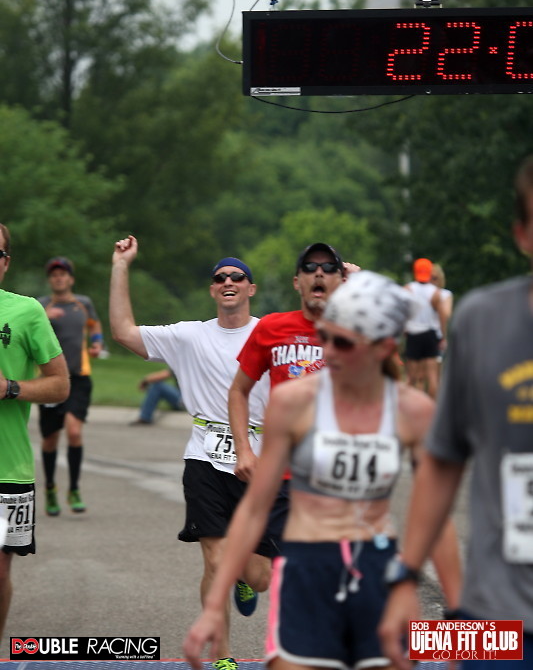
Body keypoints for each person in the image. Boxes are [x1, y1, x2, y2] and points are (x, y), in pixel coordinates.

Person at [183, 270, 461, 670]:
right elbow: (255, 508)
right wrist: (213, 606)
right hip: (305, 571)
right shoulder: (294, 402)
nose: (327, 352)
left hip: (376, 573)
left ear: (383, 348)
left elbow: (436, 516)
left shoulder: (412, 411)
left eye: (342, 342)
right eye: (325, 337)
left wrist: (456, 612)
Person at [379, 155, 533, 670]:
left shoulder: (418, 291)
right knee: (426, 379)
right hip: (501, 621)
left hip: (422, 340)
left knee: (423, 375)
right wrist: (405, 578)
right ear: (522, 234)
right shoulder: (483, 319)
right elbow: (443, 461)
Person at [110, 236, 288, 670]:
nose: (228, 282)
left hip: (260, 461)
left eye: (237, 277)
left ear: (250, 288)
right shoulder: (190, 335)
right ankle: (222, 657)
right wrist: (120, 266)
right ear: (212, 289)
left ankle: (244, 577)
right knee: (215, 560)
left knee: (259, 578)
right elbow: (124, 332)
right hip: (205, 457)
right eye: (220, 277)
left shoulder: (270, 333)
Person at [229, 242, 359, 483]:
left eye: (329, 268)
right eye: (309, 267)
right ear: (297, 283)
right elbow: (238, 390)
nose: (318, 273)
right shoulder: (271, 327)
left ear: (342, 282)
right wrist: (243, 450)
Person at [0, 224, 70, 641]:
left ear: (6, 263)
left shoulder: (26, 311)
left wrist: (10, 388)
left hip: (8, 468)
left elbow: (60, 385)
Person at [38, 256, 103, 516]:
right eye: (54, 275)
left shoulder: (83, 303)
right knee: (51, 438)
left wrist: (97, 342)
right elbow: (27, 329)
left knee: (74, 432)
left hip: (78, 377)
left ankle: (74, 489)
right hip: (49, 379)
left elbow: (95, 325)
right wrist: (43, 316)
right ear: (50, 280)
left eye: (63, 274)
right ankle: (50, 488)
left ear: (71, 279)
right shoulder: (41, 305)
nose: (58, 278)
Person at [403, 257, 446, 399]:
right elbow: (442, 316)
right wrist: (443, 336)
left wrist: (403, 328)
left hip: (413, 334)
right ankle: (432, 408)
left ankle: (407, 406)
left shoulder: (408, 289)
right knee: (433, 378)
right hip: (430, 334)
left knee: (411, 377)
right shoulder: (436, 293)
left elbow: (402, 312)